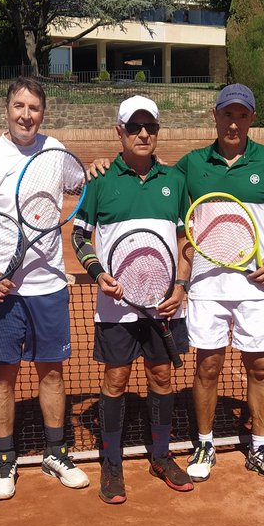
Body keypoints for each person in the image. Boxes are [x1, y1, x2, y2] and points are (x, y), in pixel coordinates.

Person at [0, 76, 89, 500]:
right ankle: (6, 459)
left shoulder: (56, 153)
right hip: (2, 291)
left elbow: (82, 186)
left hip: (49, 286)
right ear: (7, 108)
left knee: (52, 373)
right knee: (3, 377)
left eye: (33, 108)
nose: (26, 115)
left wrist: (97, 172)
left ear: (42, 113)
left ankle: (55, 452)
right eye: (19, 106)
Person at [176, 83, 264, 484]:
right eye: (227, 114)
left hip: (255, 287)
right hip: (207, 287)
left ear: (251, 118)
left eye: (242, 115)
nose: (234, 122)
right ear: (214, 116)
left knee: (260, 367)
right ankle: (204, 443)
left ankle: (260, 448)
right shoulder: (191, 165)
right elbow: (168, 208)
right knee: (207, 367)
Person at [72, 95, 194, 505]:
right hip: (116, 307)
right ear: (119, 132)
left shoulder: (175, 180)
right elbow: (78, 236)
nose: (144, 134)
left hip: (164, 304)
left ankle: (161, 456)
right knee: (116, 380)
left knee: (162, 378)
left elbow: (185, 241)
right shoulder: (100, 181)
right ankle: (112, 463)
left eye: (151, 127)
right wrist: (97, 273)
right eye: (135, 127)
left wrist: (181, 288)